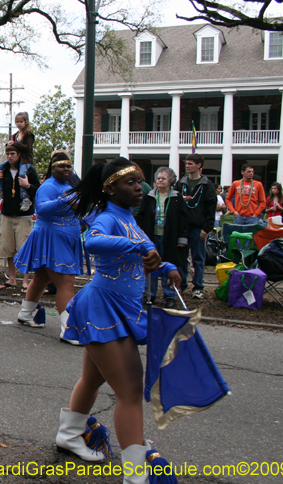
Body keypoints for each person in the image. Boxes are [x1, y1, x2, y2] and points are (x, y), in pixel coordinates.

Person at [58, 158, 181, 483]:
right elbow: (93, 241)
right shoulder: (109, 217)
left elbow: (146, 254)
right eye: (131, 183)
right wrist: (135, 246)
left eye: (140, 182)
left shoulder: (130, 219)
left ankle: (70, 435)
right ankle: (137, 473)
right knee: (129, 390)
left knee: (93, 379)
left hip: (119, 309)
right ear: (110, 188)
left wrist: (166, 267)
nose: (139, 188)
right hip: (103, 306)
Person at [14, 152, 82, 343]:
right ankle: (68, 330)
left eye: (69, 166)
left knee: (42, 277)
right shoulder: (47, 186)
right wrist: (65, 200)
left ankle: (26, 313)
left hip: (65, 238)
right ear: (53, 168)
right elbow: (42, 209)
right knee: (66, 282)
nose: (66, 169)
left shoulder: (70, 187)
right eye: (62, 166)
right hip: (52, 239)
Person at [136, 166, 188, 308]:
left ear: (170, 181)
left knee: (169, 265)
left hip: (170, 238)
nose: (160, 180)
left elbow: (183, 220)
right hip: (152, 236)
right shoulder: (150, 197)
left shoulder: (177, 198)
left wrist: (183, 238)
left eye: (163, 178)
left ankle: (170, 295)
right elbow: (141, 216)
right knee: (151, 264)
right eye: (158, 178)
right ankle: (150, 294)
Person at [0, 142, 39, 292]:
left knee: (24, 249)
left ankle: (25, 281)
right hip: (7, 214)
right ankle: (12, 279)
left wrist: (27, 185)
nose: (10, 157)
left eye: (12, 154)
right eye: (7, 154)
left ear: (18, 154)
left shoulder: (29, 171)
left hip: (24, 216)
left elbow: (38, 192)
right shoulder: (3, 170)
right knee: (8, 248)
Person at [176, 154, 217, 299]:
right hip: (182, 227)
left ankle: (198, 287)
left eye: (190, 163)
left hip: (198, 227)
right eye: (186, 163)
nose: (187, 166)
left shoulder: (207, 185)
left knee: (198, 259)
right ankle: (181, 284)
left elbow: (211, 208)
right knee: (181, 258)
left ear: (199, 165)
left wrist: (207, 228)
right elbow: (173, 201)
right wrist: (181, 199)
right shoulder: (181, 183)